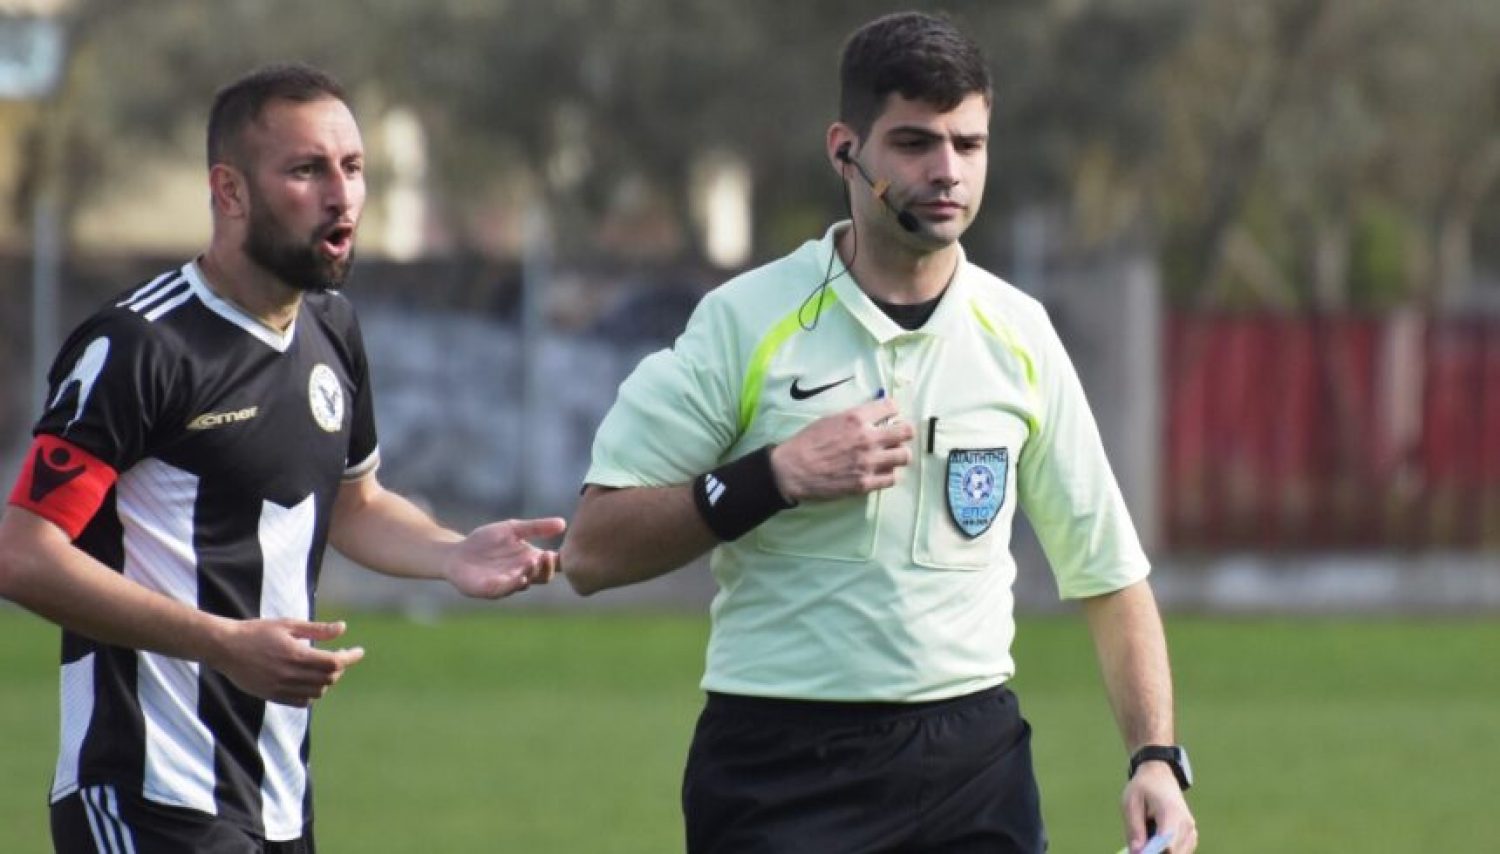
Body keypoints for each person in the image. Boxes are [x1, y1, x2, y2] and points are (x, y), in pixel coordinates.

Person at [563, 12, 1196, 854]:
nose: (947, 171)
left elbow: (1110, 576)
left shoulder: (1019, 334)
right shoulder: (745, 323)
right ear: (845, 150)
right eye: (914, 143)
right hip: (777, 768)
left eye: (969, 144)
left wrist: (1155, 759)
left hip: (973, 767)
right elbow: (592, 551)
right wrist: (773, 477)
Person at [0, 63, 565, 854]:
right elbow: (23, 555)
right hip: (144, 793)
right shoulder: (140, 346)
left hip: (275, 803)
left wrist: (451, 554)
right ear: (229, 191)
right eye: (307, 170)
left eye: (353, 167)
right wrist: (222, 644)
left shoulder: (331, 329)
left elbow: (356, 503)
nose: (342, 196)